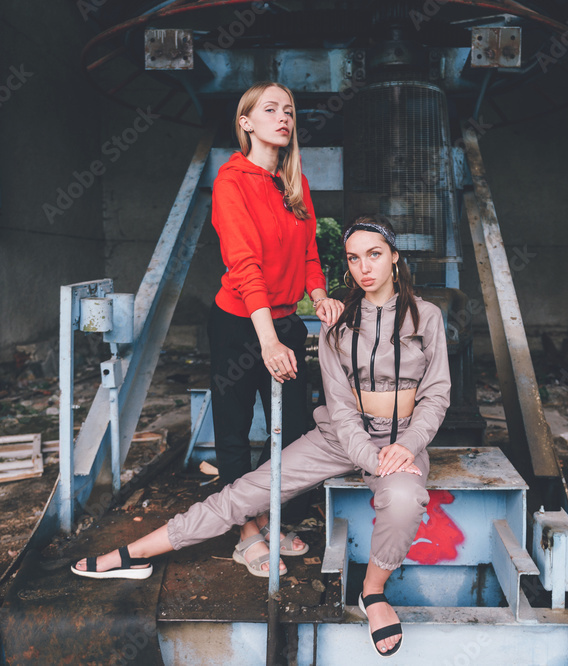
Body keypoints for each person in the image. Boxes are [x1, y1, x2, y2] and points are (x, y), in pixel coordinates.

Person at [72, 216, 451, 657]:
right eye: (354, 258)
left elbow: (437, 393)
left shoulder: (427, 316)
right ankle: (136, 552)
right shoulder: (337, 321)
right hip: (339, 437)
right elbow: (340, 406)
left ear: (394, 257)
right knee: (246, 492)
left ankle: (373, 591)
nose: (364, 267)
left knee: (404, 499)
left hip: (403, 440)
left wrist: (405, 447)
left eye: (375, 254)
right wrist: (373, 458)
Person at [212, 81, 343, 571]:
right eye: (270, 110)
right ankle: (245, 532)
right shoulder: (231, 181)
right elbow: (245, 267)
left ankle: (271, 516)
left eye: (288, 110)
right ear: (246, 122)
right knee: (234, 430)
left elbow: (309, 253)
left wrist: (320, 297)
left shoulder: (294, 184)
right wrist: (266, 342)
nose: (283, 118)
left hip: (286, 323)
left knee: (289, 432)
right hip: (239, 324)